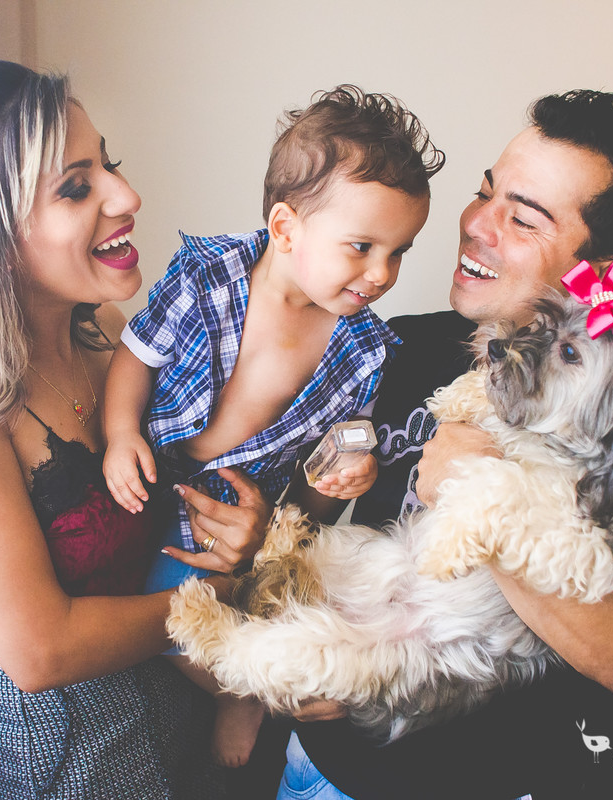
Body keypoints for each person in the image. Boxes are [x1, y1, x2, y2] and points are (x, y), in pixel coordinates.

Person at [275, 90, 613, 799]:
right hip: (320, 767)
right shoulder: (391, 343)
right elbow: (301, 510)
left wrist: (487, 502)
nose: (473, 226)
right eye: (483, 193)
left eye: (520, 218)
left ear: (603, 272)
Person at [0, 59, 269, 799]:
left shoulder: (107, 337)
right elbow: (40, 650)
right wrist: (222, 601)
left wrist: (236, 534)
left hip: (185, 706)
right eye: (76, 187)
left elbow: (190, 483)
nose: (127, 195)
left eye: (109, 164)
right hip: (74, 755)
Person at [101, 86, 445, 768]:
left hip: (241, 512)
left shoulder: (364, 350)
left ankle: (257, 690)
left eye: (400, 251)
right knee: (166, 615)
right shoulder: (207, 275)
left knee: (263, 605)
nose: (381, 274)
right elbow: (136, 356)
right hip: (152, 474)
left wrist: (339, 478)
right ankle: (243, 694)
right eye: (362, 246)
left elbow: (310, 500)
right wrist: (119, 434)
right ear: (287, 229)